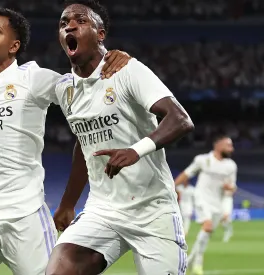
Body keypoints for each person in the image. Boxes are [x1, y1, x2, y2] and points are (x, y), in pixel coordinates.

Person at [0, 6, 131, 275]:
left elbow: (87, 87)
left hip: (24, 217)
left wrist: (112, 60)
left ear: (14, 45)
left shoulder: (33, 78)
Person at [46, 1, 194, 274]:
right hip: (103, 210)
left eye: (80, 20)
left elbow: (180, 119)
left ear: (100, 34)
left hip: (153, 210)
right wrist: (68, 203)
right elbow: (84, 143)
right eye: (63, 22)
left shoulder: (127, 70)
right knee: (60, 268)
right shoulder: (64, 89)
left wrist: (136, 151)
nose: (69, 25)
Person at [174, 134, 237, 275]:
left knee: (206, 234)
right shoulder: (203, 160)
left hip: (218, 203)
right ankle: (194, 262)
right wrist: (173, 186)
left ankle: (192, 262)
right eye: (228, 145)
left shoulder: (231, 166)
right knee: (207, 226)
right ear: (218, 145)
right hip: (202, 198)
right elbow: (187, 173)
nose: (231, 149)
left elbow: (233, 187)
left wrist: (230, 188)